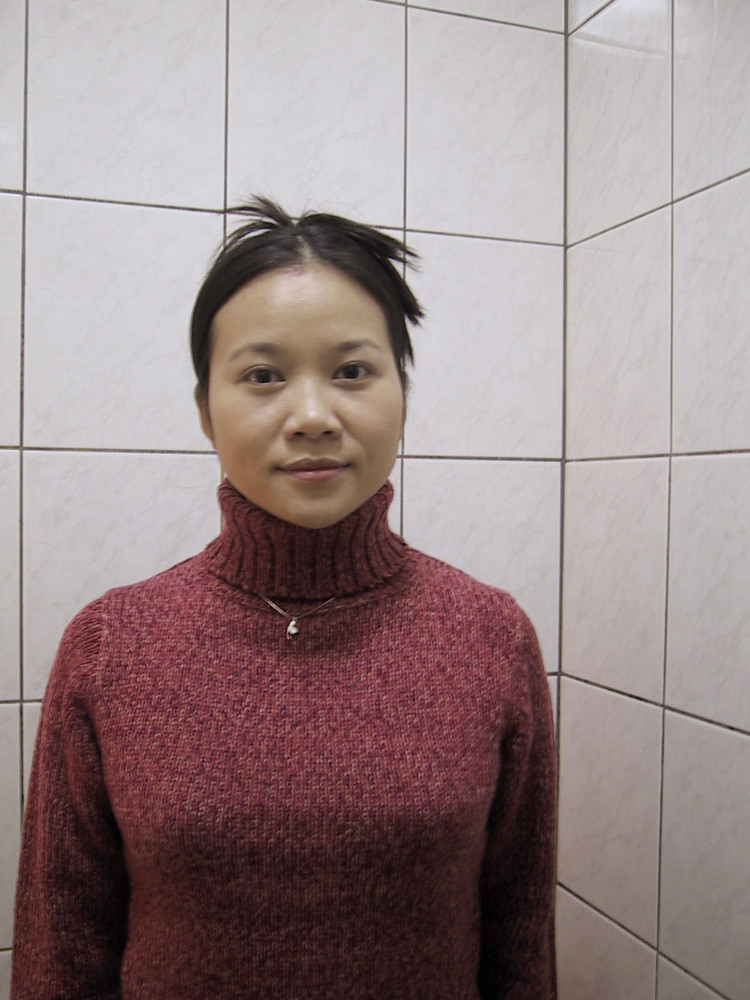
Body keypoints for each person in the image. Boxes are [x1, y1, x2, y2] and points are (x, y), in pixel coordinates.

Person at [12, 198, 557, 999]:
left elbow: (520, 941)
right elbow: (61, 949)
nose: (311, 417)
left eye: (352, 371)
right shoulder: (110, 645)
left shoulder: (491, 636)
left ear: (403, 396)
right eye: (263, 376)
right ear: (206, 411)